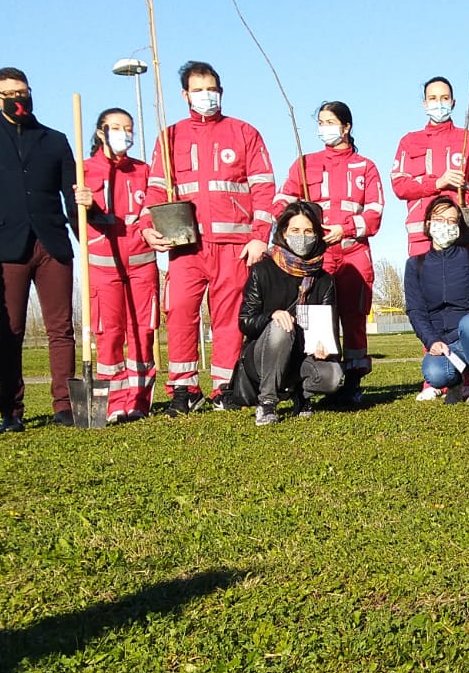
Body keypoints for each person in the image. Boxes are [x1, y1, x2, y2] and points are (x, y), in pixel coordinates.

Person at [143, 61, 276, 412]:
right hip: (186, 245)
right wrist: (148, 228)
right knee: (180, 311)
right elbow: (155, 189)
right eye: (199, 90)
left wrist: (260, 236)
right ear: (185, 95)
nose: (207, 96)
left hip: (234, 245)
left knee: (229, 317)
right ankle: (184, 389)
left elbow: (264, 188)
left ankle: (225, 386)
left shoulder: (244, 133)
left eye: (212, 89)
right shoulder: (169, 136)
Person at [0, 67, 77, 429]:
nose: (18, 99)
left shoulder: (54, 140)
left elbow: (72, 197)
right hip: (4, 247)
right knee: (11, 331)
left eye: (22, 91)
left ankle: (66, 406)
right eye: (9, 94)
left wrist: (85, 221)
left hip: (52, 244)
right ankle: (11, 410)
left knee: (61, 329)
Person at [276, 100, 385, 403]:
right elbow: (282, 200)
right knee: (317, 317)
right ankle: (320, 379)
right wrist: (295, 225)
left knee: (354, 317)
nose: (325, 128)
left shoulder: (366, 166)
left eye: (330, 122)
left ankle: (352, 382)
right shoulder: (304, 163)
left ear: (347, 127)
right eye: (321, 122)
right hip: (317, 257)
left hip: (353, 253)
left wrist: (346, 229)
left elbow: (375, 212)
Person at [73, 108, 158, 423]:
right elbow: (78, 221)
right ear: (100, 132)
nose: (124, 133)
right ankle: (112, 403)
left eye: (129, 127)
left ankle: (139, 402)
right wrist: (85, 203)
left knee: (141, 334)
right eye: (117, 127)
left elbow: (150, 210)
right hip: (103, 264)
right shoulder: (84, 171)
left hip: (141, 263)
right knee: (108, 334)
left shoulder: (144, 171)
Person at [233, 200, 344, 426]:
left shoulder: (324, 280)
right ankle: (267, 403)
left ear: (316, 235)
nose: (301, 237)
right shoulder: (262, 270)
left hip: (300, 356)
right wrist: (271, 316)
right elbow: (245, 322)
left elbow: (330, 329)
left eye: (308, 231)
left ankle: (301, 395)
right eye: (295, 230)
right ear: (283, 232)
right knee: (280, 327)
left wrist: (327, 350)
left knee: (333, 376)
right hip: (262, 357)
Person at [403, 198, 469, 407]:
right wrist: (431, 341)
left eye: (452, 221)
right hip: (446, 344)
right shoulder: (415, 265)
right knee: (435, 374)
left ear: (459, 227)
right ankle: (456, 381)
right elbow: (416, 310)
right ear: (429, 224)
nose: (446, 225)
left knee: (468, 323)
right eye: (440, 219)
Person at [390, 77, 469, 257]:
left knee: (465, 284)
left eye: (444, 98)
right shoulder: (409, 141)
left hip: (461, 234)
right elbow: (399, 186)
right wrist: (437, 183)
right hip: (422, 235)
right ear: (424, 103)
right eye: (433, 98)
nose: (439, 103)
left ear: (453, 102)